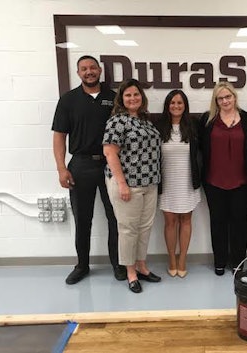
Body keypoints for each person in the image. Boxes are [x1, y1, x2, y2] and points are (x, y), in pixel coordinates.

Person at [52, 55, 126, 285]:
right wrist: (61, 168)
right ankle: (82, 265)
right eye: (84, 68)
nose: (89, 71)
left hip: (110, 165)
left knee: (115, 218)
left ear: (100, 70)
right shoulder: (68, 100)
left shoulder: (113, 99)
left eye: (93, 67)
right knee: (83, 219)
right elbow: (59, 137)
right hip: (81, 165)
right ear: (78, 73)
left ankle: (119, 264)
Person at [103, 78, 162, 294]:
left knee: (145, 228)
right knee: (128, 230)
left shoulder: (146, 121)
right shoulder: (117, 121)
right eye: (128, 95)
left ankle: (142, 266)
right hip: (128, 185)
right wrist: (122, 184)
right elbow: (109, 152)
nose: (133, 98)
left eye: (136, 94)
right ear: (122, 99)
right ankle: (130, 273)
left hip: (149, 183)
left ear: (141, 97)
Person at [199, 82, 247, 276]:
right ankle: (220, 261)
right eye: (220, 98)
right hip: (214, 182)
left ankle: (238, 262)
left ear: (234, 97)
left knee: (240, 222)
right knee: (218, 222)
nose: (225, 101)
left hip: (242, 182)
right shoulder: (208, 120)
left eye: (228, 97)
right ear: (216, 100)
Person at [155, 90, 201, 278]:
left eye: (180, 103)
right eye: (172, 103)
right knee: (170, 222)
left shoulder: (193, 126)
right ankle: (171, 259)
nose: (176, 106)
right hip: (167, 182)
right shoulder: (159, 127)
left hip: (187, 181)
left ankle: (182, 259)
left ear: (185, 106)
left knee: (186, 220)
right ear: (167, 105)